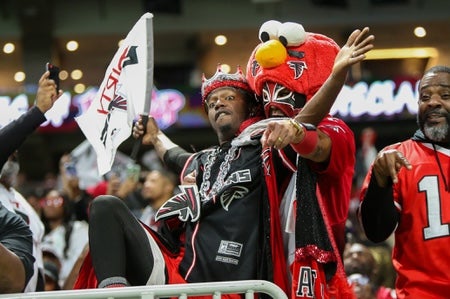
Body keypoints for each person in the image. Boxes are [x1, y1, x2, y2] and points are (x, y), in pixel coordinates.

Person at [126, 25, 373, 298]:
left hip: (314, 261)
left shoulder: (326, 130)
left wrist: (334, 79)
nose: (219, 104)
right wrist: (156, 135)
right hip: (261, 267)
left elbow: (307, 137)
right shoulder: (241, 150)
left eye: (229, 97)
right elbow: (182, 159)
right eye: (267, 90)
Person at [359, 65, 450, 299]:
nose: (433, 102)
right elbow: (376, 232)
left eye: (445, 95)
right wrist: (381, 184)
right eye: (425, 97)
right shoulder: (396, 158)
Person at [0, 70, 62, 293]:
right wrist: (37, 112)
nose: (10, 155)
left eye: (14, 152)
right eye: (7, 151)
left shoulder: (25, 206)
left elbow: (36, 262)